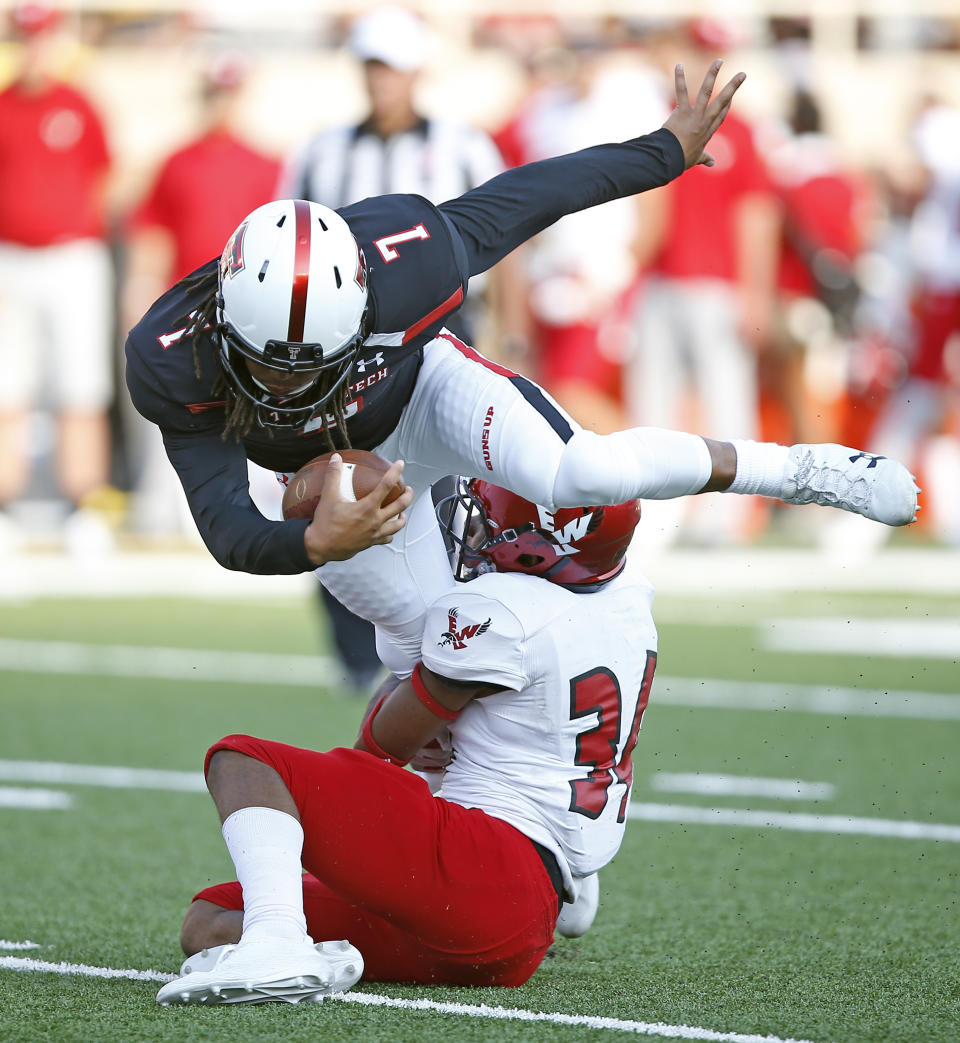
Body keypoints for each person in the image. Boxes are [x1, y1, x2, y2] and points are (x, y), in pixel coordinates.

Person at [125, 61, 918, 684]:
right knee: (433, 647)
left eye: (314, 364)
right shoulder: (170, 356)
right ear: (225, 319)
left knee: (582, 469)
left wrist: (660, 153)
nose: (291, 385)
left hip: (423, 391)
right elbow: (227, 523)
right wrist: (311, 541)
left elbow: (525, 199)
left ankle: (803, 469)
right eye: (273, 366)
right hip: (337, 479)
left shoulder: (406, 261)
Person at [157, 481, 656, 1004]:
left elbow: (383, 746)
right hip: (509, 935)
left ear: (538, 541)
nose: (478, 527)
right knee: (210, 922)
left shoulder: (505, 611)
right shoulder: (629, 596)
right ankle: (279, 933)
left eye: (488, 518)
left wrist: (401, 658)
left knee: (245, 761)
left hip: (487, 870)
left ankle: (279, 945)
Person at [277, 6, 529, 691]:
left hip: (444, 338)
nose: (379, 79)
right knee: (335, 488)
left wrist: (508, 338)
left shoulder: (466, 144)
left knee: (452, 493)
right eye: (370, 65)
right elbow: (286, 241)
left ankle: (454, 642)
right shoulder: (321, 150)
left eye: (389, 64)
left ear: (417, 68)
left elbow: (502, 250)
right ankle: (359, 657)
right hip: (340, 354)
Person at [122, 52, 281, 539]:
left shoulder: (268, 164)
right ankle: (161, 508)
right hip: (188, 307)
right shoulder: (176, 161)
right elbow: (153, 236)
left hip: (250, 307)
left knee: (254, 405)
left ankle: (252, 503)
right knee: (175, 400)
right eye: (214, 93)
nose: (220, 105)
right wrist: (138, 296)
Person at [0, 1, 114, 550]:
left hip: (72, 257)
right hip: (11, 258)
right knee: (7, 384)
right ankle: (5, 504)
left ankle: (83, 504)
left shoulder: (79, 106)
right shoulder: (3, 107)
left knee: (80, 383)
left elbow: (103, 181)